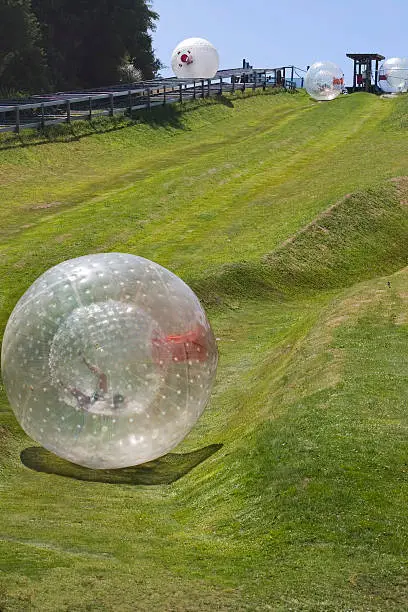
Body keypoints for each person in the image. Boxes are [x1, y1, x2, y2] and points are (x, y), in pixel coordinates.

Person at [60, 356, 125, 412]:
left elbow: (89, 405)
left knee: (77, 392)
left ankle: (61, 383)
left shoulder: (103, 407)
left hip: (91, 403)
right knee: (103, 376)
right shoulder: (109, 403)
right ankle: (86, 362)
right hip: (99, 398)